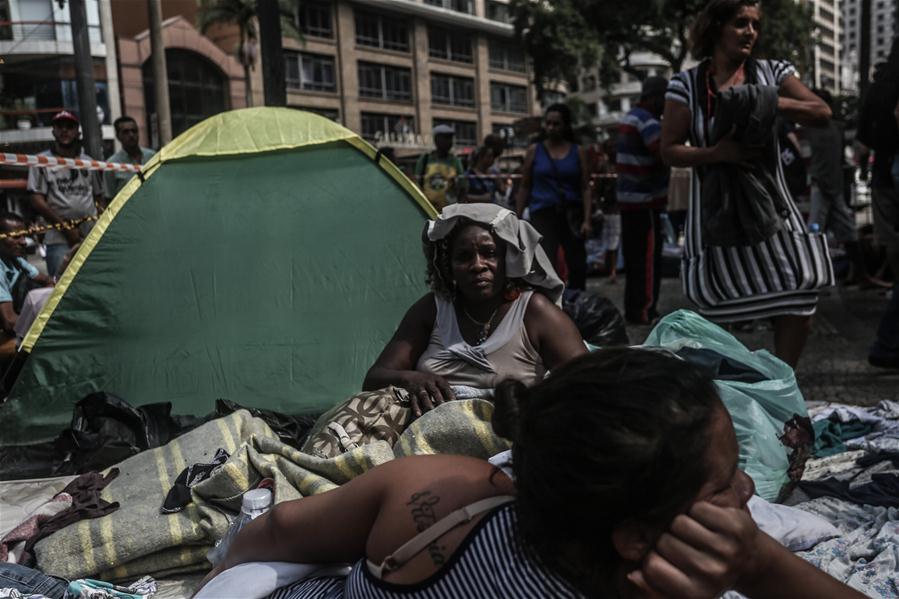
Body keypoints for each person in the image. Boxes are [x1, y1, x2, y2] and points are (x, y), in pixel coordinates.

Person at [196, 348, 865, 599]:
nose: (749, 491)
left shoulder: (447, 491)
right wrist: (758, 566)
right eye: (725, 483)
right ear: (635, 538)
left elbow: (277, 529)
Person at [660, 0, 832, 369]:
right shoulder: (685, 85)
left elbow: (821, 112)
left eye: (755, 24)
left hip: (772, 206)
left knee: (800, 296)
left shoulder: (773, 73)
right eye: (740, 23)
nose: (750, 32)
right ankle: (728, 388)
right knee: (715, 303)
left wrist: (767, 99)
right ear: (716, 27)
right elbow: (669, 150)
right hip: (714, 212)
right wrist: (717, 153)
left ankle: (783, 380)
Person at [363, 203, 585, 417]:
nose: (478, 265)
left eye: (490, 253)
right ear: (448, 266)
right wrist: (412, 379)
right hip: (429, 432)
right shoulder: (432, 309)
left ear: (508, 260)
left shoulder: (535, 312)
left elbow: (589, 385)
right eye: (464, 256)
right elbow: (374, 378)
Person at [515, 104, 592, 291]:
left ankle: (577, 299)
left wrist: (587, 220)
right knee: (544, 263)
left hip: (571, 214)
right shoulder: (534, 150)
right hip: (543, 213)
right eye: (548, 123)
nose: (551, 128)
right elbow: (525, 185)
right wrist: (516, 217)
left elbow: (585, 187)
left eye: (556, 124)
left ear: (565, 125)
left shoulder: (578, 151)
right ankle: (547, 302)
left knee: (577, 262)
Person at [802, 89, 875, 286]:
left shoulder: (830, 128)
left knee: (838, 230)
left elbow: (840, 157)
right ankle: (814, 275)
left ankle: (857, 273)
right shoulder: (814, 128)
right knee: (817, 231)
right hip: (823, 186)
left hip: (830, 187)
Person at [857, 38, 899, 370]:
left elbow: (862, 141)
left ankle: (887, 343)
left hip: (882, 177)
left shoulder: (879, 85)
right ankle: (886, 342)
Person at [617, 76, 671, 324]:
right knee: (648, 259)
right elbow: (663, 153)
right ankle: (645, 310)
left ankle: (634, 308)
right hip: (645, 201)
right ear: (654, 97)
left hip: (629, 201)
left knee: (634, 259)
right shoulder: (648, 121)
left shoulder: (631, 117)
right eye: (664, 98)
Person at [27, 111, 104, 278]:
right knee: (61, 284)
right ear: (53, 131)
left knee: (94, 280)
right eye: (60, 126)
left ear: (77, 131)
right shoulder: (41, 161)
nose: (64, 130)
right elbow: (37, 200)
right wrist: (67, 229)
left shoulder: (89, 162)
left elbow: (98, 198)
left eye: (69, 127)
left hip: (89, 237)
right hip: (58, 239)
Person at [0, 213, 53, 354]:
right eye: (16, 237)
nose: (24, 242)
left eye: (24, 236)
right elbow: (9, 321)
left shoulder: (15, 259)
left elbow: (47, 281)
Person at [103, 116, 156, 202]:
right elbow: (109, 199)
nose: (131, 135)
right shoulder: (112, 164)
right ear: (118, 136)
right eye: (125, 132)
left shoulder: (152, 156)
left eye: (134, 131)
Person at [415, 124, 466, 211]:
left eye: (450, 138)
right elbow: (417, 185)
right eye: (445, 138)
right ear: (436, 140)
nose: (449, 142)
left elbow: (462, 187)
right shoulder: (425, 160)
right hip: (427, 210)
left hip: (449, 211)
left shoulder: (455, 161)